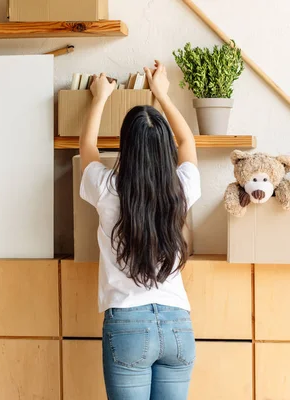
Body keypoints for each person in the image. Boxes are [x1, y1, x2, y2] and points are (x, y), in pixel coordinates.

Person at [79, 61, 201, 400]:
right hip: (178, 324)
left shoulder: (106, 188)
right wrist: (161, 92)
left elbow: (86, 146)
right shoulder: (182, 188)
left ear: (125, 148)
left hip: (128, 325)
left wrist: (100, 97)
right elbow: (187, 139)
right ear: (165, 150)